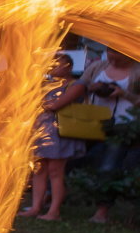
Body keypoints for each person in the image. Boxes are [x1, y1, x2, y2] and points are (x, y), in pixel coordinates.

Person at [77, 48, 140, 222]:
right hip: (91, 122)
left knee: (109, 165)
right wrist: (91, 88)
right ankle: (57, 197)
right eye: (110, 53)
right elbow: (79, 86)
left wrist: (124, 93)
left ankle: (102, 210)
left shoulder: (137, 71)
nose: (113, 59)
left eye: (117, 55)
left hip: (122, 124)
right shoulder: (98, 66)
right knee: (76, 157)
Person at [20, 53, 85, 221]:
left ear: (68, 66)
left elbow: (55, 105)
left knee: (56, 171)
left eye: (57, 63)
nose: (52, 66)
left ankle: (54, 211)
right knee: (39, 169)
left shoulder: (76, 85)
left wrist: (38, 102)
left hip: (60, 131)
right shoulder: (45, 84)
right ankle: (35, 207)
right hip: (41, 129)